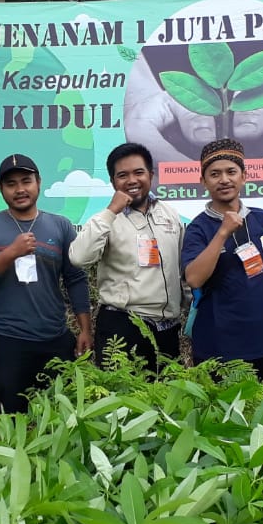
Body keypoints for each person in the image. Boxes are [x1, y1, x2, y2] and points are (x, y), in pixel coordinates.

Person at [0, 154, 93, 413]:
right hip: (7, 341)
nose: (20, 189)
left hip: (55, 338)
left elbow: (75, 278)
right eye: (11, 184)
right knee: (10, 419)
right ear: (1, 189)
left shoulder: (60, 226)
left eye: (26, 181)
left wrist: (85, 330)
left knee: (63, 417)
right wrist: (10, 253)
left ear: (39, 183)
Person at [69, 142, 184, 372]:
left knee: (168, 404)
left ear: (151, 175)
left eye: (138, 172)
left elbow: (182, 269)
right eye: (123, 175)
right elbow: (79, 258)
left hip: (167, 330)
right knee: (123, 405)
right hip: (123, 327)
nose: (132, 180)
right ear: (113, 182)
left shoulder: (170, 214)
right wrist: (111, 211)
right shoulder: (106, 219)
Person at [180, 138, 263, 381]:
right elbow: (194, 278)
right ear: (203, 181)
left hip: (262, 341)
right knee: (220, 417)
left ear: (244, 176)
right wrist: (223, 232)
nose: (224, 180)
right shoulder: (198, 228)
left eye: (231, 172)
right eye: (215, 174)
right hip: (216, 345)